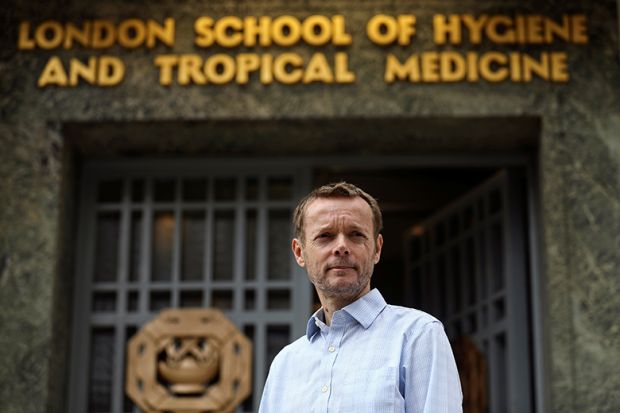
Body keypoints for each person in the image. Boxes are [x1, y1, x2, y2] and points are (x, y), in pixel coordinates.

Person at [258, 182, 463, 413]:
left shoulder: (418, 335)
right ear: (299, 252)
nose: (342, 247)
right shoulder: (284, 365)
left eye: (356, 235)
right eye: (325, 236)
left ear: (377, 249)